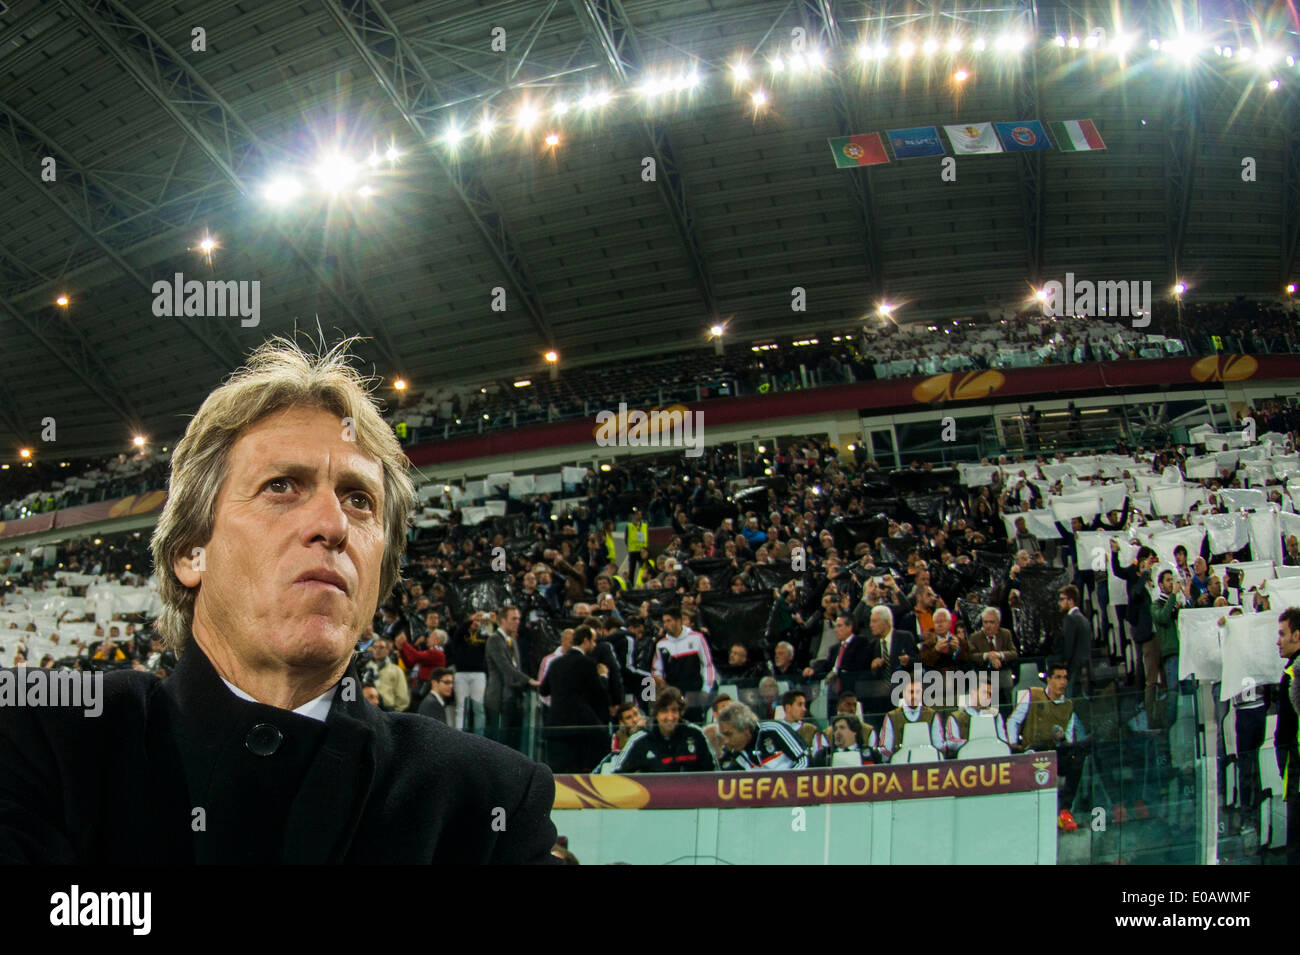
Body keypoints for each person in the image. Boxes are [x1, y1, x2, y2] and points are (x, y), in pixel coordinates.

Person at [0, 337, 557, 863]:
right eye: (282, 486)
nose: (332, 524)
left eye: (359, 500)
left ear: (381, 575)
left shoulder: (490, 800)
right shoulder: (48, 738)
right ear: (192, 552)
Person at [1008, 662, 1087, 832]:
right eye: (1058, 677)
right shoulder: (1033, 695)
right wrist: (1014, 745)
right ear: (1049, 680)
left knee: (1077, 753)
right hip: (1033, 750)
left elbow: (1068, 737)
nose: (1063, 682)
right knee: (1040, 748)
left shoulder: (1069, 706)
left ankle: (1064, 810)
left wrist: (1062, 740)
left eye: (1065, 678)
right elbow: (1013, 721)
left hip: (1055, 753)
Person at [539, 625, 612, 773]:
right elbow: (600, 695)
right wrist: (603, 676)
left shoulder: (556, 663)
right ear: (585, 641)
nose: (595, 645)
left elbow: (543, 690)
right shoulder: (588, 664)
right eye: (593, 641)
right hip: (580, 729)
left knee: (558, 775)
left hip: (556, 727)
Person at [615, 687, 715, 773]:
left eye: (674, 710)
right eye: (664, 711)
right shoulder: (640, 739)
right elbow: (617, 775)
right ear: (655, 714)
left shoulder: (695, 734)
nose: (670, 717)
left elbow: (714, 773)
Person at [485, 606, 539, 750]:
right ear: (503, 620)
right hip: (498, 698)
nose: (517, 622)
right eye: (513, 618)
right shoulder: (494, 640)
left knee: (512, 743)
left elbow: (516, 668)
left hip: (513, 698)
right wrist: (529, 680)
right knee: (498, 742)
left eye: (519, 619)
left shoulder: (512, 641)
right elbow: (505, 667)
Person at [651, 607, 716, 721]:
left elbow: (707, 665)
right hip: (674, 694)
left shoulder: (697, 638)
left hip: (694, 692)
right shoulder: (661, 644)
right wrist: (660, 681)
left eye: (669, 620)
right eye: (664, 621)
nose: (665, 624)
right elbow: (656, 670)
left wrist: (706, 689)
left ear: (678, 621)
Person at [803, 613, 872, 718]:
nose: (835, 630)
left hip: (852, 692)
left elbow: (857, 664)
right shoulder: (834, 649)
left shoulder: (860, 642)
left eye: (839, 626)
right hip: (834, 694)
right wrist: (813, 670)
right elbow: (826, 666)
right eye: (835, 626)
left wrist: (836, 672)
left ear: (849, 627)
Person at [715, 701, 809, 770]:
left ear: (746, 729)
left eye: (729, 734)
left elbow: (805, 759)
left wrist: (787, 785)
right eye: (723, 735)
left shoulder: (773, 730)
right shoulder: (733, 753)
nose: (726, 740)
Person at [1275, 607, 1300, 863]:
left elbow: (1287, 731)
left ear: (1298, 635)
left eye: (1283, 634)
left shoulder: (1295, 674)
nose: (1278, 641)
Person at [878, 677, 946, 759]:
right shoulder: (891, 717)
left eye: (917, 692)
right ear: (903, 692)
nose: (914, 696)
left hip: (928, 762)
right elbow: (885, 749)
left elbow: (939, 746)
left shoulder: (932, 714)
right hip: (900, 765)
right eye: (911, 692)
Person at [1151, 569, 1185, 729]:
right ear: (1160, 584)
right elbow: (1163, 618)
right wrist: (1173, 596)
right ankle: (1169, 730)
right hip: (1171, 654)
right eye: (1168, 580)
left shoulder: (1176, 603)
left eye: (1172, 580)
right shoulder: (1156, 605)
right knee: (1173, 692)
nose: (1171, 583)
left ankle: (1185, 727)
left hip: (1185, 653)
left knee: (1187, 691)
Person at [968, 607, 1018, 705]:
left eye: (991, 622)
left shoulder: (1005, 634)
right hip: (984, 674)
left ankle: (1007, 712)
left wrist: (998, 655)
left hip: (1003, 672)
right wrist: (987, 656)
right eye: (985, 622)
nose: (988, 626)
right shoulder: (975, 637)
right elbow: (971, 656)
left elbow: (1014, 653)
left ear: (998, 623)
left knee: (1006, 689)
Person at [944, 679, 1009, 755]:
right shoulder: (955, 717)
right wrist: (974, 744)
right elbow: (951, 742)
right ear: (973, 693)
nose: (988, 697)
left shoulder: (995, 715)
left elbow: (1003, 740)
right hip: (967, 758)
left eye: (990, 694)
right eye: (985, 692)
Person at [1054, 585, 1090, 698]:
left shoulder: (1071, 619)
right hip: (1084, 669)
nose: (1059, 603)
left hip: (1073, 670)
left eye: (1061, 599)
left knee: (1071, 704)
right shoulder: (1083, 618)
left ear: (1070, 601)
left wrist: (1064, 666)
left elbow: (1068, 647)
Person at [811, 714, 883, 767]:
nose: (837, 732)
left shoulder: (871, 754)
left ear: (854, 731)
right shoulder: (824, 756)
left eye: (842, 728)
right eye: (835, 729)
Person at [365, 637, 410, 712]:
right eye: (375, 647)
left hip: (388, 710)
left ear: (388, 651)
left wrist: (395, 713)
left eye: (381, 647)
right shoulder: (365, 668)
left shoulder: (396, 670)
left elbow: (402, 697)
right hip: (366, 708)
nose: (377, 650)